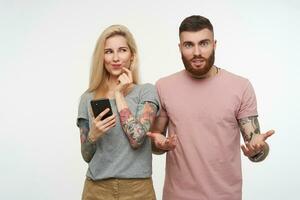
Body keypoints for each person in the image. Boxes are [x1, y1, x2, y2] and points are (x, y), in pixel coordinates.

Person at [147, 15, 275, 200]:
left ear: (214, 44)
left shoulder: (240, 86)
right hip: (177, 196)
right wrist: (159, 145)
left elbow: (256, 144)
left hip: (225, 196)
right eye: (189, 45)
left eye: (204, 43)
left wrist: (258, 151)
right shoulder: (163, 86)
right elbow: (156, 141)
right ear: (180, 48)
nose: (197, 52)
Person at [76, 24, 160, 200]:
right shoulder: (87, 98)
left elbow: (137, 138)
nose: (115, 58)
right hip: (96, 190)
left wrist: (119, 95)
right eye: (108, 52)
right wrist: (93, 135)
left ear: (132, 56)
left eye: (122, 50)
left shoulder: (146, 91)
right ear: (102, 57)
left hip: (138, 190)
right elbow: (86, 155)